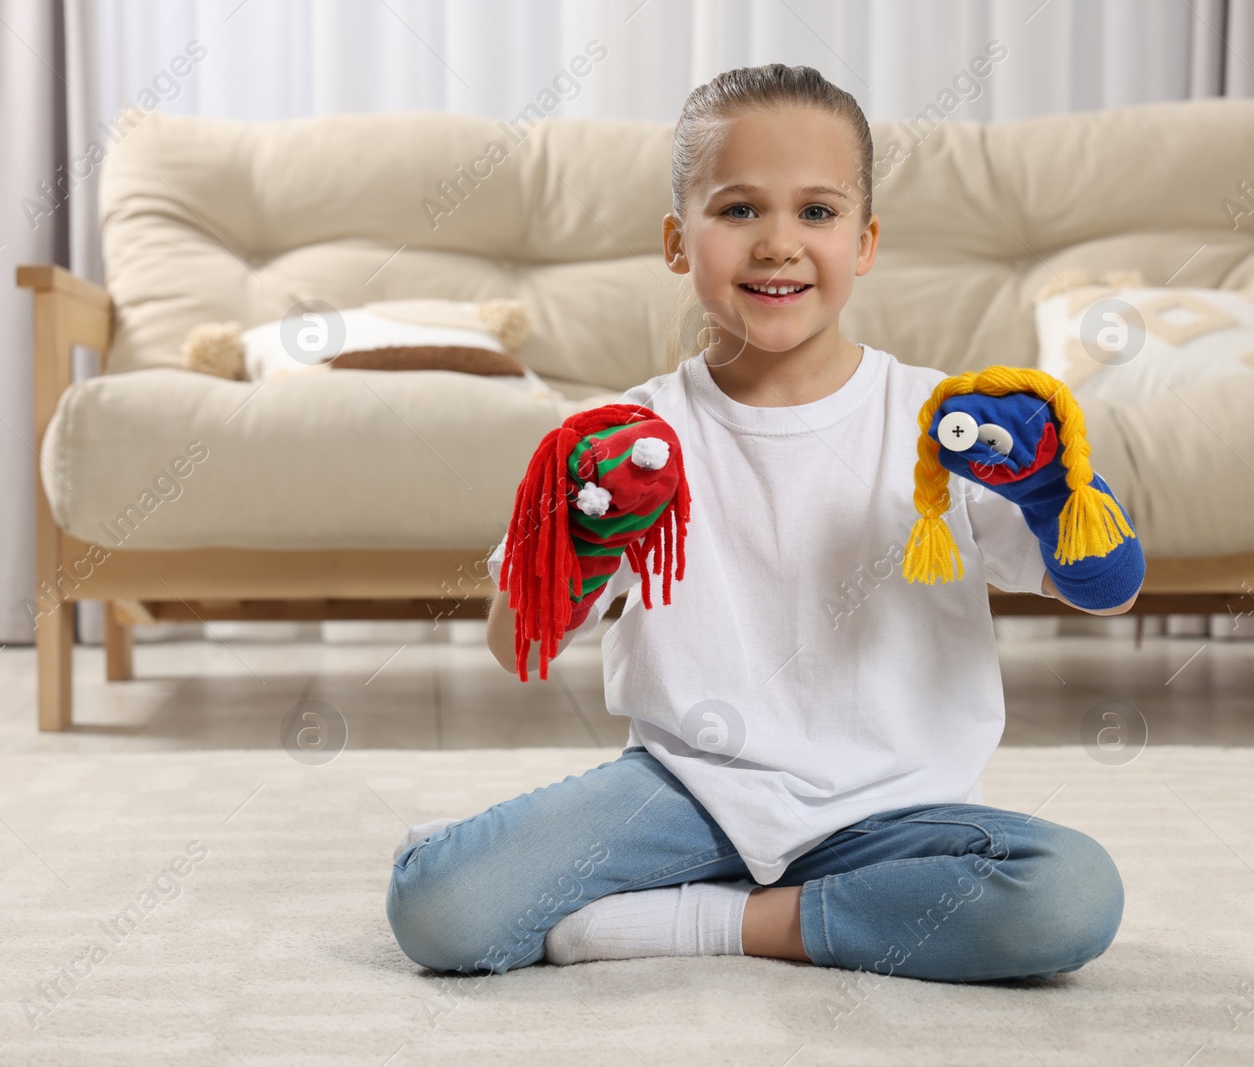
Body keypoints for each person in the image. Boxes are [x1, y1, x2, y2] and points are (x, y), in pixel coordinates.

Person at [385, 62, 1142, 985]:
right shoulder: (631, 438)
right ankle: (621, 876)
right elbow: (520, 644)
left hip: (898, 816)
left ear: (864, 243)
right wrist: (586, 538)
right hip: (687, 794)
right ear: (677, 241)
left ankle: (713, 921)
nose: (778, 243)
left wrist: (1047, 489)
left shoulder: (941, 423)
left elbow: (1106, 587)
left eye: (816, 213)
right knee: (440, 908)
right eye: (739, 210)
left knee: (1070, 893)